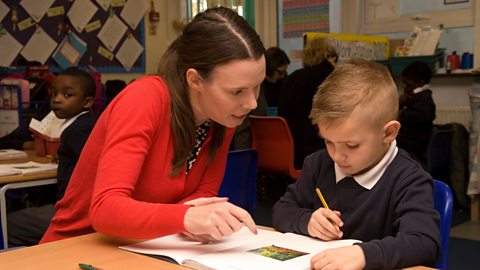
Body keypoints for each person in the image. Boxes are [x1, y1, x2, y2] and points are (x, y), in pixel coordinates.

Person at [40, 7, 264, 244]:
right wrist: (187, 217)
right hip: (77, 248)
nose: (251, 103)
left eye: (257, 86)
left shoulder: (222, 114)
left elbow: (202, 196)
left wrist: (198, 217)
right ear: (195, 80)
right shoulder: (145, 99)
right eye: (237, 91)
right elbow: (106, 209)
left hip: (148, 247)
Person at [272, 59, 440, 269]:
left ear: (388, 133)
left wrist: (363, 254)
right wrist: (307, 221)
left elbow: (424, 243)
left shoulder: (408, 179)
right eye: (329, 141)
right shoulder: (318, 164)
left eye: (351, 145)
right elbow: (282, 210)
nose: (337, 156)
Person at [8, 67, 96, 246]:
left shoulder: (77, 131)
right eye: (54, 93)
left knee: (6, 223)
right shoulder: (84, 124)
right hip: (82, 207)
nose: (57, 99)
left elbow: (92, 165)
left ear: (87, 102)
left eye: (67, 95)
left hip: (76, 210)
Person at [277, 37, 338, 169]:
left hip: (287, 152)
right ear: (330, 58)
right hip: (314, 152)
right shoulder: (329, 77)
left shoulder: (291, 77)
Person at [230, 46, 290, 150]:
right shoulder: (254, 87)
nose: (282, 76)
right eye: (280, 72)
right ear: (271, 67)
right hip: (257, 142)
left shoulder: (285, 84)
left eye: (285, 73)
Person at [397, 61, 436, 167]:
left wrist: (402, 114)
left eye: (408, 85)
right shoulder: (416, 97)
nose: (405, 88)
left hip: (416, 141)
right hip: (414, 140)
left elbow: (424, 115)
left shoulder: (423, 97)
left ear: (420, 83)